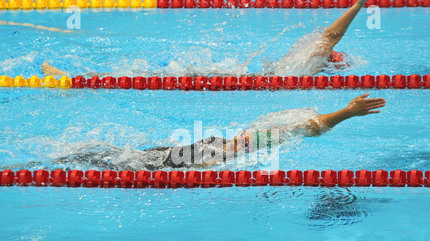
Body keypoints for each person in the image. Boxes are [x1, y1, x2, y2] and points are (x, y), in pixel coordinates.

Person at [54, 92, 385, 170]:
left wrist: (346, 113)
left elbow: (309, 129)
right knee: (92, 159)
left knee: (92, 158)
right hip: (167, 160)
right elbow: (310, 129)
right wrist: (347, 113)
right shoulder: (243, 145)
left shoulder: (243, 146)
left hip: (169, 160)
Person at [40, 0, 368, 77]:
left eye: (338, 55)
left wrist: (359, 4)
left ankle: (84, 78)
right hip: (243, 76)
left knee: (162, 74)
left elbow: (331, 34)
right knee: (163, 74)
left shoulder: (308, 63)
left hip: (240, 76)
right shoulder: (302, 69)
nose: (337, 52)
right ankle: (86, 78)